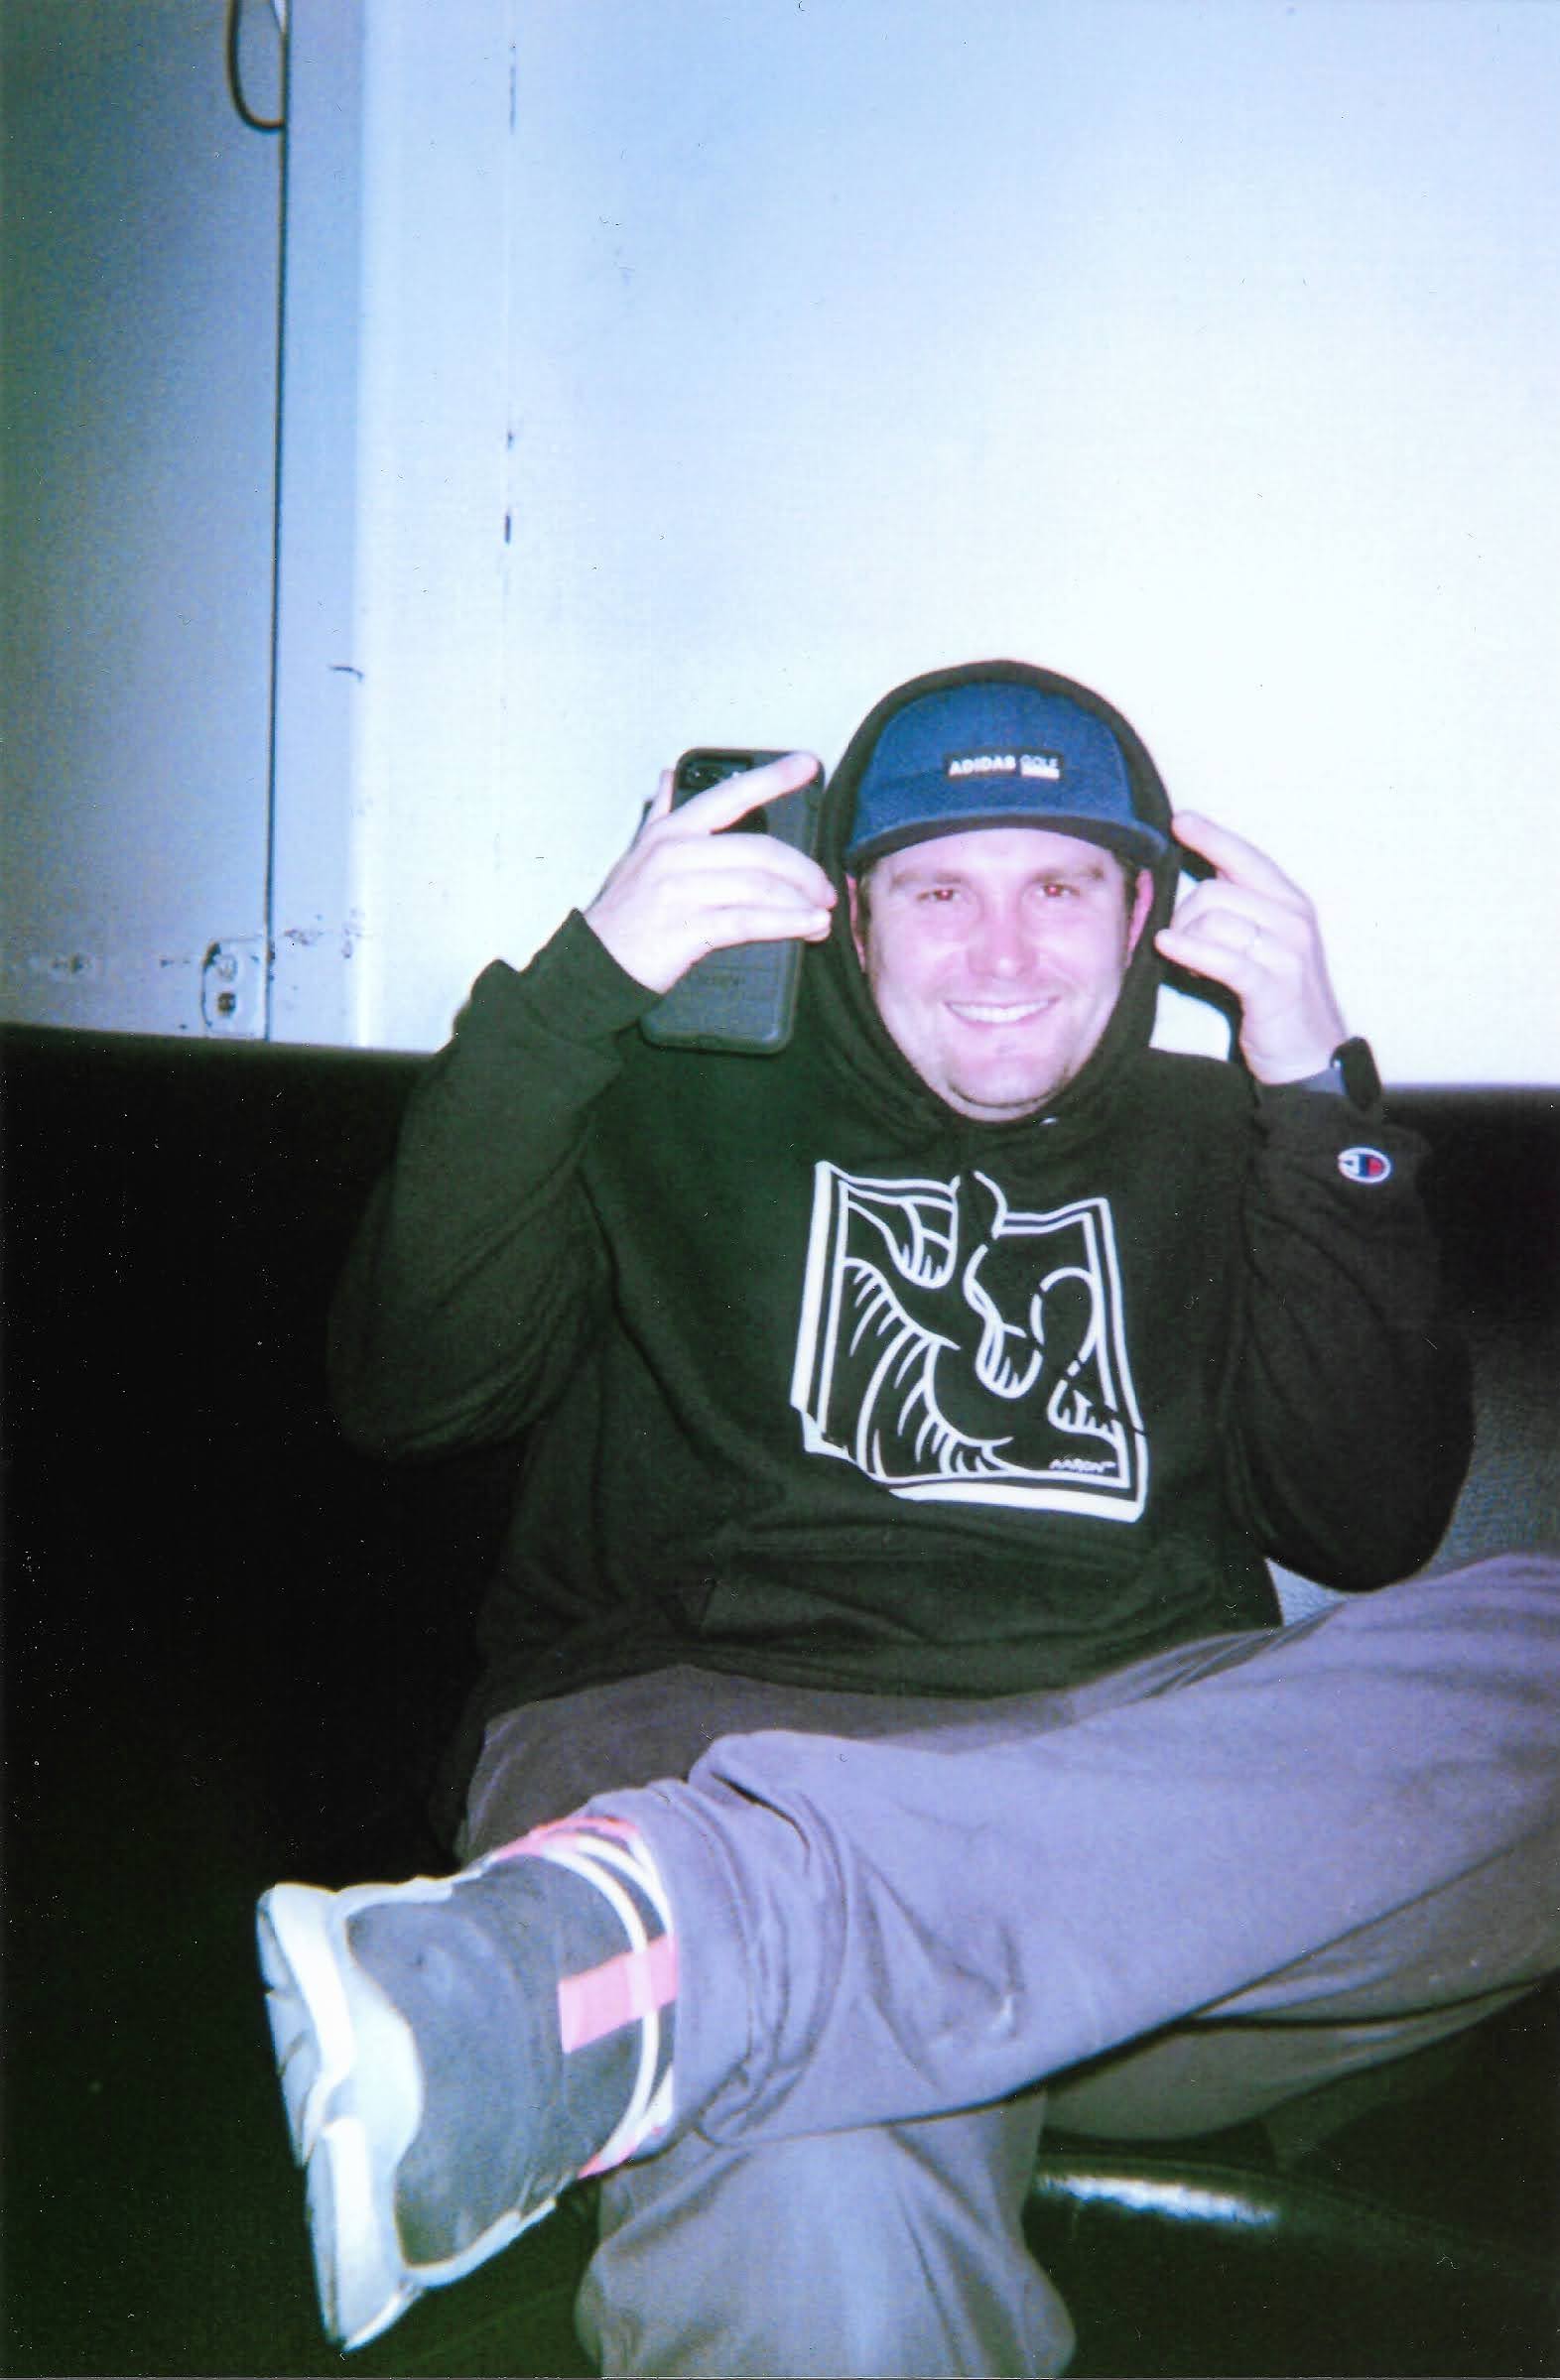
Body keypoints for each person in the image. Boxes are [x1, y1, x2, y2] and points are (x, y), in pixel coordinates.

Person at [257, 662, 1559, 2377]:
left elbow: (1370, 1520)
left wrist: (1318, 1097)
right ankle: (729, 1945)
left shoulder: (1228, 1141)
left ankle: (715, 1945)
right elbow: (409, 1393)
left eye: (1061, 889)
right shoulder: (662, 1094)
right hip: (705, 1742)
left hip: (1148, 1873)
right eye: (939, 892)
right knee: (819, 2206)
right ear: (848, 917)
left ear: (1146, 916)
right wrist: (579, 997)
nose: (1003, 956)